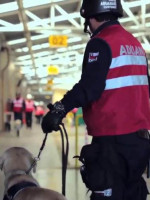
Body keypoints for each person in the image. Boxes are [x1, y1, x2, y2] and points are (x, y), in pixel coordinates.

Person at [41, 0, 150, 199]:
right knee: (132, 193)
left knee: (107, 193)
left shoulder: (101, 42)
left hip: (112, 141)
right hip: (139, 142)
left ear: (90, 16)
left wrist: (59, 109)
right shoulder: (135, 44)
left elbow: (89, 87)